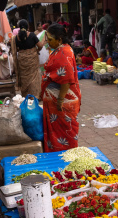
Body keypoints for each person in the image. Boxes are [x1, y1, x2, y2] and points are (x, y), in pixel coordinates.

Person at [41, 23, 81, 152]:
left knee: (65, 133)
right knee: (59, 133)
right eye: (47, 39)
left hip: (62, 102)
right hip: (55, 102)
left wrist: (59, 101)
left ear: (59, 39)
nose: (48, 42)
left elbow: (66, 80)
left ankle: (66, 156)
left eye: (50, 39)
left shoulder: (64, 52)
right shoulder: (60, 49)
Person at [11, 19, 43, 98]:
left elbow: (17, 49)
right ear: (27, 26)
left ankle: (26, 96)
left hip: (22, 60)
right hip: (32, 59)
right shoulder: (32, 35)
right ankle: (35, 96)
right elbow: (40, 46)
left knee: (25, 78)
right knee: (34, 78)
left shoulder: (15, 38)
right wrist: (36, 51)